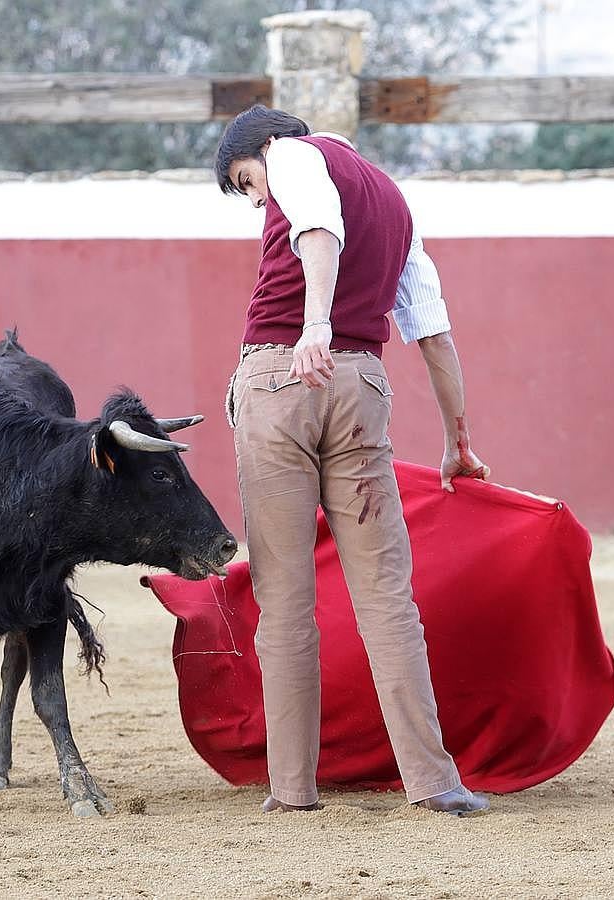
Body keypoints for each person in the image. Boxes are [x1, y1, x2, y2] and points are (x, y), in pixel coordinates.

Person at [215, 105, 491, 816]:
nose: (258, 199)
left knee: (284, 598)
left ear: (267, 146)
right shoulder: (395, 199)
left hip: (284, 376)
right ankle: (435, 782)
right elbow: (432, 331)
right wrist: (458, 440)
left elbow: (317, 229)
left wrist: (313, 327)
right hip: (362, 384)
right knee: (387, 596)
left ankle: (292, 791)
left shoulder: (297, 159)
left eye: (249, 180)